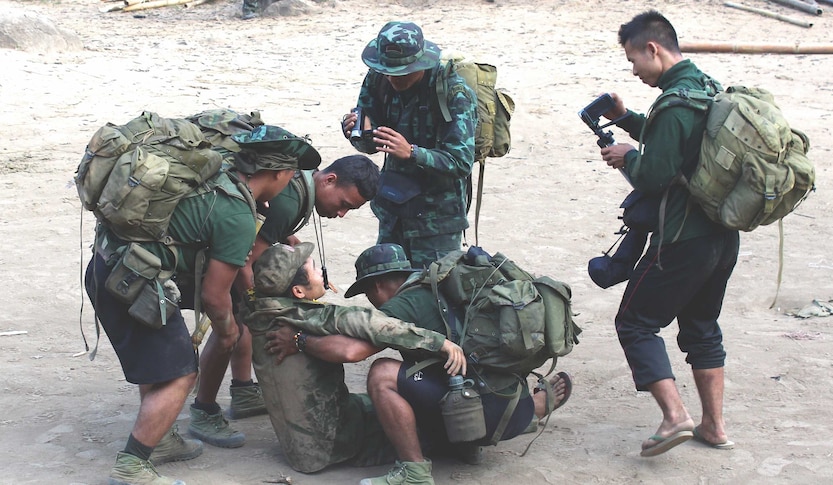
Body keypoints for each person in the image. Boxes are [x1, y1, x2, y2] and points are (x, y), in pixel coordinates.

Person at [85, 124, 315, 485]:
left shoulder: (217, 176)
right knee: (181, 374)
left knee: (162, 365)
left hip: (107, 266)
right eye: (290, 175)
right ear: (277, 174)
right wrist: (227, 331)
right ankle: (133, 465)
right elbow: (214, 295)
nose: (289, 182)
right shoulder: (238, 214)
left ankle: (159, 441)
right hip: (132, 282)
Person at [262, 244, 573, 484]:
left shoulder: (403, 304)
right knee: (436, 373)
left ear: (377, 286)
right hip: (511, 413)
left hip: (479, 412)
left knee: (382, 374)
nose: (372, 301)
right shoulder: (447, 288)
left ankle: (414, 471)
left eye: (369, 294)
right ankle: (506, 421)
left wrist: (300, 340)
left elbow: (351, 351)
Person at [597, 10, 739, 457]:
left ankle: (675, 416)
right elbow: (679, 143)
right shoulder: (705, 89)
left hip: (682, 238)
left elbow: (655, 174)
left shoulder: (674, 103)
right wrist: (625, 118)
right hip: (723, 235)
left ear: (652, 49)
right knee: (701, 325)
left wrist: (626, 157)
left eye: (633, 59)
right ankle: (714, 427)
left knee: (635, 322)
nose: (633, 69)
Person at [190, 154, 380, 449]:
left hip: (231, 255)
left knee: (241, 323)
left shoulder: (301, 182)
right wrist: (259, 300)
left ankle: (242, 391)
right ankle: (204, 410)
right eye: (343, 204)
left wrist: (285, 235)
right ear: (329, 180)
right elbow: (247, 259)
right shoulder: (290, 200)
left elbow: (263, 226)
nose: (341, 213)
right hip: (225, 263)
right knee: (230, 331)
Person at [242, 242, 467, 474]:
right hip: (333, 443)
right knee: (409, 414)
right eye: (315, 269)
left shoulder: (257, 311)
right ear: (297, 291)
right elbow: (370, 325)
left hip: (298, 447)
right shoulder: (311, 317)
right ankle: (429, 460)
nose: (322, 273)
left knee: (369, 401)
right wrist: (439, 343)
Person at [341, 21, 478, 269]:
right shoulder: (378, 77)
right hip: (393, 210)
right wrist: (357, 132)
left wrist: (413, 153)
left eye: (402, 71)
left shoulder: (454, 94)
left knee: (434, 296)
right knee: (388, 289)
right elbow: (370, 145)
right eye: (388, 70)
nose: (393, 77)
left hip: (436, 221)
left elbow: (461, 163)